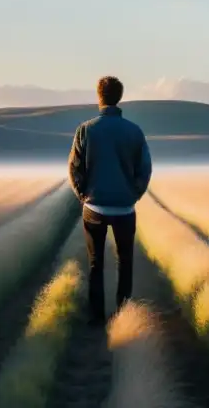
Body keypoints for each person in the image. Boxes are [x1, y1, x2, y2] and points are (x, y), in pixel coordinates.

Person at [67, 75, 153, 325]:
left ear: (99, 96)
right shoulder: (134, 131)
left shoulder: (85, 129)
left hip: (93, 208)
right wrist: (133, 194)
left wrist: (83, 195)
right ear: (120, 97)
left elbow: (74, 169)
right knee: (125, 262)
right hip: (125, 209)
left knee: (95, 263)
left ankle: (96, 319)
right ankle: (123, 316)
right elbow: (145, 170)